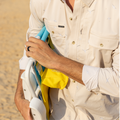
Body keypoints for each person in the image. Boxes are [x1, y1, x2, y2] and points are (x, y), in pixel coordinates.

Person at [14, 0, 120, 120]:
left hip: (106, 115)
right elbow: (31, 47)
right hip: (57, 114)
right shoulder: (41, 2)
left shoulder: (115, 7)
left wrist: (57, 62)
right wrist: (20, 96)